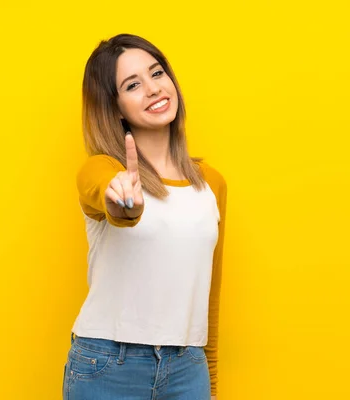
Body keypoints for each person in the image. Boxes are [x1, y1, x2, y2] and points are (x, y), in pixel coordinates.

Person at [63, 33, 227, 400]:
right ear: (116, 108)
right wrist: (124, 205)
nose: (153, 89)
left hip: (188, 369)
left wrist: (211, 381)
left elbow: (208, 297)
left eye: (157, 73)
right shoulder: (102, 171)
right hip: (107, 367)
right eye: (133, 85)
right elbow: (105, 196)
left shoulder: (211, 185)